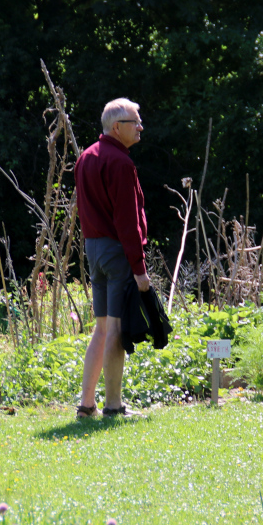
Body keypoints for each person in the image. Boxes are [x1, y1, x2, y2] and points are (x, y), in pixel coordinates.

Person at [74, 98, 151, 418]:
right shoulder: (121, 163)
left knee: (102, 328)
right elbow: (127, 221)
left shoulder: (85, 157)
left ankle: (86, 405)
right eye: (135, 122)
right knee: (116, 329)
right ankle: (114, 407)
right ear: (117, 127)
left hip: (93, 249)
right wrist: (140, 268)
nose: (141, 127)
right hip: (116, 252)